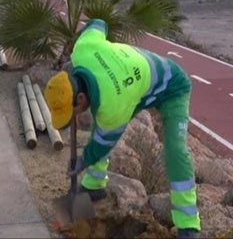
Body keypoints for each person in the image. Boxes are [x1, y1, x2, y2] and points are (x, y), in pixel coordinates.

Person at [44, 18, 201, 239]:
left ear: (80, 98)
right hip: (134, 89)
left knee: (175, 149)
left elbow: (102, 144)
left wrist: (82, 161)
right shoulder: (83, 48)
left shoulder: (112, 106)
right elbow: (97, 23)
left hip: (171, 85)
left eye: (72, 113)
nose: (74, 118)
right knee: (103, 121)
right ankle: (94, 184)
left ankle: (188, 224)